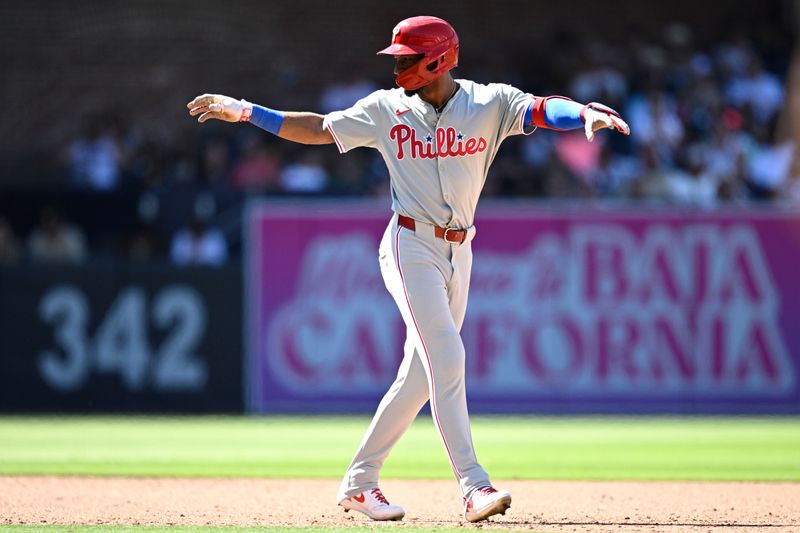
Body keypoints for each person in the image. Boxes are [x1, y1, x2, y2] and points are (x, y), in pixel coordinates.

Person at [187, 15, 629, 523]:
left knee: (420, 376)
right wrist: (246, 112)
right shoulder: (384, 109)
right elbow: (317, 127)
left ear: (439, 58)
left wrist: (584, 114)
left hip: (460, 250)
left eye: (406, 58)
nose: (397, 66)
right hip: (409, 244)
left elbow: (543, 109)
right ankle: (473, 485)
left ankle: (359, 482)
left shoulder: (488, 103)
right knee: (448, 356)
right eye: (395, 58)